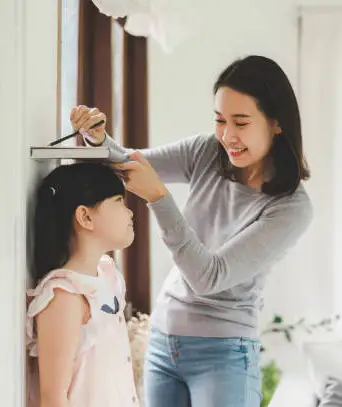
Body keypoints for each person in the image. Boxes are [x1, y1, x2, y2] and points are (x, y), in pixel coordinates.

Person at [71, 55, 313, 407]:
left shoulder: (291, 208)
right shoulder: (207, 152)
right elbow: (131, 164)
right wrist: (97, 139)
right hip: (164, 343)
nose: (228, 136)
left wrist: (158, 197)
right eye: (220, 120)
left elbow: (209, 277)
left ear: (277, 123)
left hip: (225, 355)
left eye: (241, 122)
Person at [26, 163, 139, 407]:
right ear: (85, 217)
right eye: (119, 201)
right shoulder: (64, 294)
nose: (129, 213)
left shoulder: (107, 274)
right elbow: (53, 397)